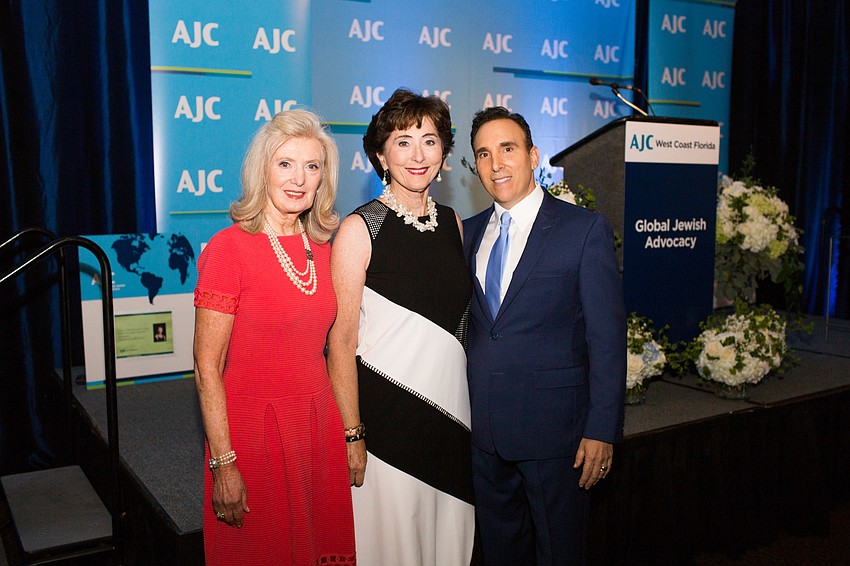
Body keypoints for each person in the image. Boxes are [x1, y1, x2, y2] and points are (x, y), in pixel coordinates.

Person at [463, 106, 626, 565]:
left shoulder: (584, 229)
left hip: (560, 439)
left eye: (508, 149)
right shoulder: (468, 234)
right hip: (485, 437)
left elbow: (608, 341)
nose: (496, 164)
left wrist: (602, 429)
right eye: (483, 154)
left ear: (534, 155)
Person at [193, 109, 356, 565]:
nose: (299, 178)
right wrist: (223, 462)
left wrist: (349, 432)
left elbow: (337, 346)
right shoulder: (229, 248)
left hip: (315, 426)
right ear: (261, 168)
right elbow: (207, 368)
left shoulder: (324, 249)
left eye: (312, 166)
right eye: (285, 163)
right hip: (253, 435)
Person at [327, 88, 475, 565]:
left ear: (444, 153)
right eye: (403, 141)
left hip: (451, 415)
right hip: (387, 423)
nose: (418, 155)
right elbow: (341, 342)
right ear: (380, 155)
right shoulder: (359, 229)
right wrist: (353, 433)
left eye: (429, 141)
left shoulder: (453, 222)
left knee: (446, 540)